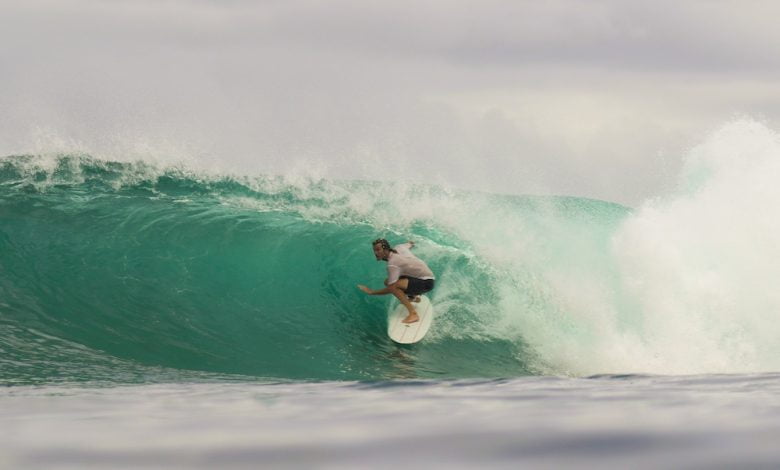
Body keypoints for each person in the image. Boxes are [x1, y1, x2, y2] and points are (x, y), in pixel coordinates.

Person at [357, 238, 435, 324]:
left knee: (393, 287)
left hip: (426, 283)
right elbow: (410, 244)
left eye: (378, 250)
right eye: (374, 250)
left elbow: (391, 288)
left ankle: (413, 314)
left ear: (386, 249)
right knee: (388, 281)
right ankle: (413, 297)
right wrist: (412, 243)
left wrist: (372, 292)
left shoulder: (392, 264)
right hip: (426, 278)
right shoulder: (399, 247)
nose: (376, 253)